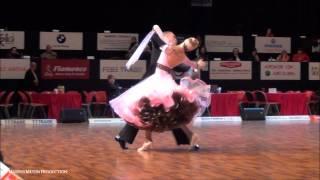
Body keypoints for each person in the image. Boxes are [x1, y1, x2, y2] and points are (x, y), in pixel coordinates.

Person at [111, 25, 208, 151]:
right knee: (144, 112)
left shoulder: (174, 50)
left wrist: (191, 66)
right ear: (166, 37)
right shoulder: (161, 45)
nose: (175, 39)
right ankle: (127, 138)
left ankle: (188, 139)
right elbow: (157, 38)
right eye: (173, 37)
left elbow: (177, 64)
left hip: (162, 81)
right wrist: (157, 31)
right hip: (151, 80)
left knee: (169, 111)